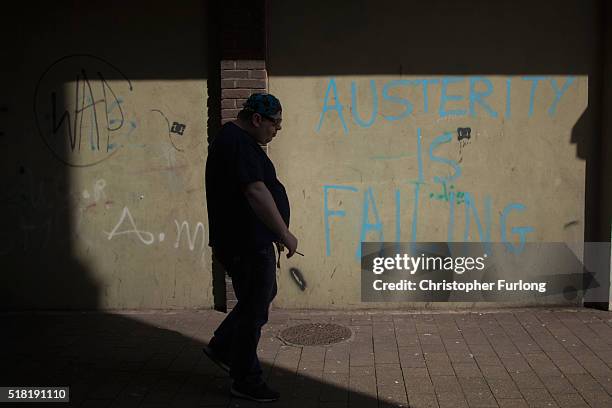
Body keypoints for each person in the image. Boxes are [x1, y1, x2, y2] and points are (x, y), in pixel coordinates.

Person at [204, 93, 298, 402]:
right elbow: (256, 190)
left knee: (257, 300)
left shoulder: (238, 142)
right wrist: (284, 233)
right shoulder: (238, 143)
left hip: (246, 241)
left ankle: (222, 347)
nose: (277, 130)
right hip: (245, 242)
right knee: (254, 309)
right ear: (257, 119)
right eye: (275, 124)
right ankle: (245, 379)